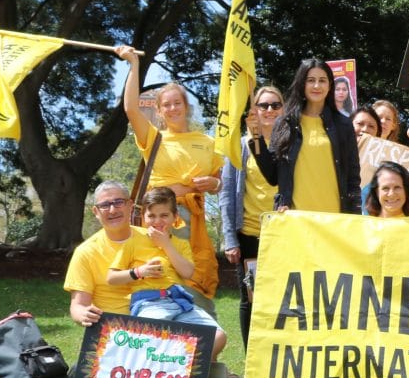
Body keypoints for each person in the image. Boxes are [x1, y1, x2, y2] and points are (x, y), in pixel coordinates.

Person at [115, 46, 223, 312]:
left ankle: (199, 323)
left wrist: (215, 184)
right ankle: (161, 320)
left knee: (193, 271)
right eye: (167, 105)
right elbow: (130, 108)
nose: (173, 108)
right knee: (162, 270)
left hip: (194, 221)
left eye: (177, 103)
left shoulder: (208, 142)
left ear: (186, 107)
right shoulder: (154, 138)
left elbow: (221, 182)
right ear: (159, 111)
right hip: (161, 217)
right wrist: (133, 65)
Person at [108, 187, 227, 360]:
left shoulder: (180, 244)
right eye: (152, 216)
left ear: (174, 216)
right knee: (153, 340)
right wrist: (139, 272)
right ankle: (167, 372)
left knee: (217, 336)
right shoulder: (133, 242)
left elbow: (187, 272)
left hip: (181, 302)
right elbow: (112, 278)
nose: (157, 221)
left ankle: (184, 371)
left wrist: (166, 245)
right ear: (143, 217)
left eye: (164, 215)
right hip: (150, 303)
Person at [252, 58, 360, 214]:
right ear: (302, 84)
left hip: (335, 220)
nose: (317, 86)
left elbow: (353, 177)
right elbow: (272, 176)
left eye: (322, 80)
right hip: (295, 220)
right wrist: (256, 136)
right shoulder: (284, 123)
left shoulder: (343, 125)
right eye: (311, 80)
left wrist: (355, 215)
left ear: (330, 85)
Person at [220, 84, 283, 348]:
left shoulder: (290, 143)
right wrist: (230, 239)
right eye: (263, 105)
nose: (269, 110)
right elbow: (225, 193)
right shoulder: (242, 145)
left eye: (275, 105)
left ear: (284, 109)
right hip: (249, 237)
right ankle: (251, 361)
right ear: (254, 110)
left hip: (283, 237)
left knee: (283, 299)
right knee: (251, 299)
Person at [65, 181, 149, 327]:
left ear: (130, 205)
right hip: (112, 329)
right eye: (104, 205)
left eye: (118, 202)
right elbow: (78, 305)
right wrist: (82, 314)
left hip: (157, 324)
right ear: (96, 212)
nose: (112, 210)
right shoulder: (85, 252)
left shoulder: (153, 239)